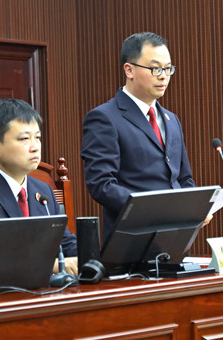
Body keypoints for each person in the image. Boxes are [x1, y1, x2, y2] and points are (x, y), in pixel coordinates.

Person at [81, 31, 201, 238]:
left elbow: (183, 177)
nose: (163, 76)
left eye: (168, 68)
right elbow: (102, 185)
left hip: (175, 236)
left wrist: (194, 208)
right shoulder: (104, 118)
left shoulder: (171, 119)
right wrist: (154, 210)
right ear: (129, 70)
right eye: (155, 68)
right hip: (132, 238)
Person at [0, 98, 78, 280]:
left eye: (37, 138)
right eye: (24, 139)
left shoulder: (44, 192)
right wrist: (54, 265)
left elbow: (66, 245)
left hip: (41, 292)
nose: (35, 147)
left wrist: (89, 258)